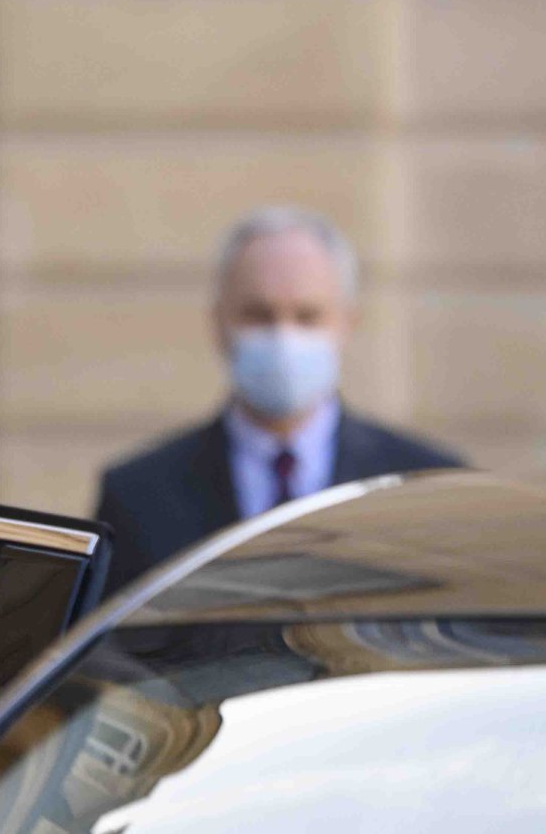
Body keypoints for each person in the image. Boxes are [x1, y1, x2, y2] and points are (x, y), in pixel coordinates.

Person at [95, 207, 462, 594]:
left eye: (307, 316)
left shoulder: (426, 489)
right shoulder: (138, 496)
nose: (283, 338)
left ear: (346, 323)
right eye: (258, 314)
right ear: (219, 323)